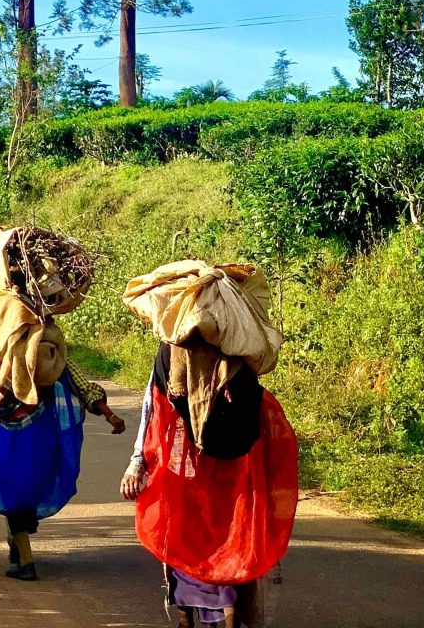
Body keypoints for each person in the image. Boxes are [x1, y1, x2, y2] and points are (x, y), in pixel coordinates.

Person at [118, 260, 298, 625]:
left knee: (206, 537)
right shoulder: (217, 359)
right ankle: (210, 607)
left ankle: (206, 608)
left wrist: (139, 460)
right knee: (210, 536)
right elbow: (156, 408)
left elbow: (153, 409)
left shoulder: (195, 358)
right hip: (208, 470)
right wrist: (138, 460)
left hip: (205, 472)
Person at [0, 227, 124, 581]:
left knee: (10, 486)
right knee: (27, 483)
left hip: (1, 425)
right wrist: (105, 410)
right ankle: (21, 538)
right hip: (40, 425)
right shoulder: (48, 338)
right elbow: (73, 376)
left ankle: (24, 559)